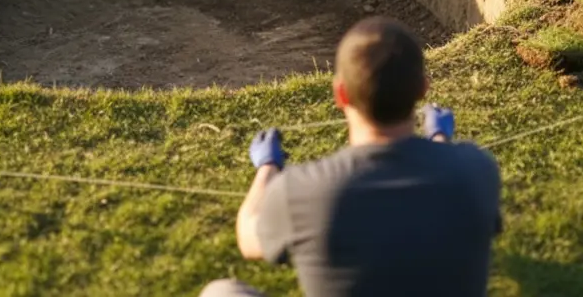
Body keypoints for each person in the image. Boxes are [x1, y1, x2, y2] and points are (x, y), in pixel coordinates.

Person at [201, 16, 502, 297]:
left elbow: (248, 237)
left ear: (340, 94)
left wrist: (267, 167)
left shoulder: (300, 191)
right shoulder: (476, 170)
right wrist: (440, 140)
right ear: (423, 89)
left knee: (220, 293)